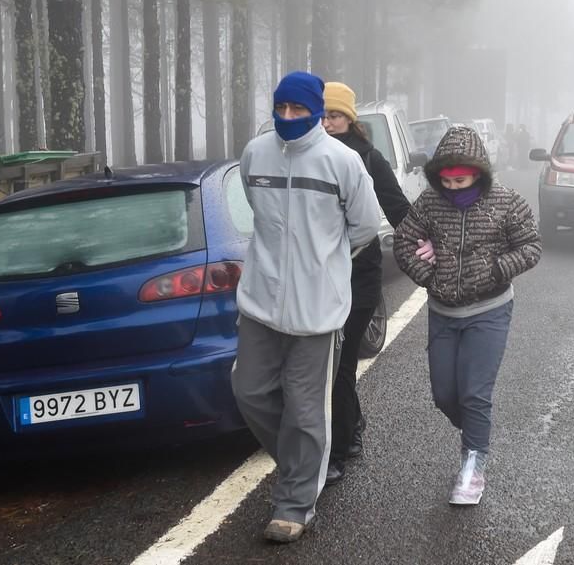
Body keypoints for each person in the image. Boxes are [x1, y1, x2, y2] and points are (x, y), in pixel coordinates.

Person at [231, 71, 382, 543]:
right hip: (260, 301)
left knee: (305, 406)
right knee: (250, 391)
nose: (288, 118)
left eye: (298, 110)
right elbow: (259, 211)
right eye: (282, 109)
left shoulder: (342, 161)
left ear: (316, 112)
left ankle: (295, 504)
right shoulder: (256, 154)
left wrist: (324, 265)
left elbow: (364, 227)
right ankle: (302, 464)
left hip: (318, 311)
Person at [393, 126, 542, 505]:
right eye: (447, 180)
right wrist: (428, 275)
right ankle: (477, 431)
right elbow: (404, 243)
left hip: (489, 310)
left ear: (477, 172)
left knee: (475, 394)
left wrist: (495, 269)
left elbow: (531, 247)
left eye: (461, 180)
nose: (454, 187)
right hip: (442, 312)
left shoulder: (508, 203)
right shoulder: (429, 203)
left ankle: (473, 466)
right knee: (445, 395)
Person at [321, 81, 411, 486]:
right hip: (322, 276)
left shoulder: (369, 159)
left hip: (360, 274)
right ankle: (352, 427)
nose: (326, 124)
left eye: (334, 116)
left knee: (339, 363)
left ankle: (338, 451)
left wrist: (428, 254)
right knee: (333, 365)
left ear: (350, 119)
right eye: (321, 116)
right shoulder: (309, 158)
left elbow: (398, 210)